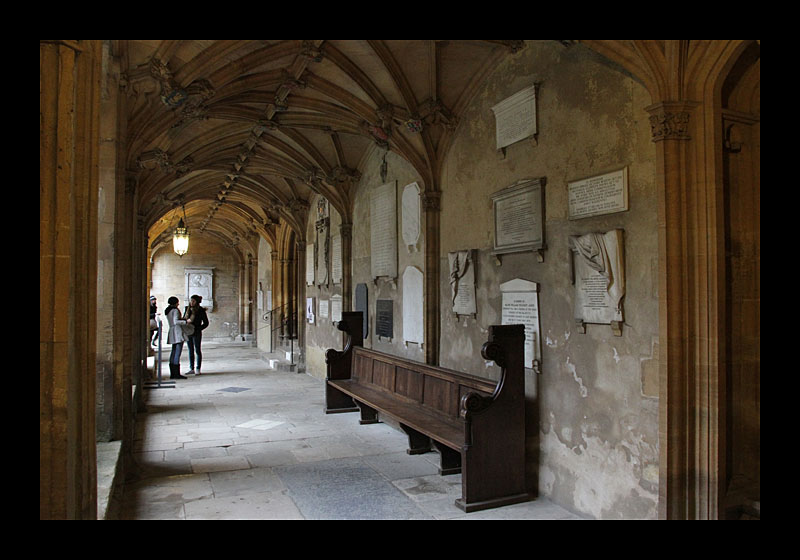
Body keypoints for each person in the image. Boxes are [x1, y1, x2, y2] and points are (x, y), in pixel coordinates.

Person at [184, 294, 210, 375]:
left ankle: (198, 368)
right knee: (190, 350)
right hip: (188, 332)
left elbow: (206, 323)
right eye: (191, 300)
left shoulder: (201, 310)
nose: (191, 302)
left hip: (196, 332)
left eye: (193, 301)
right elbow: (184, 319)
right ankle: (191, 368)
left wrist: (199, 329)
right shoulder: (187, 309)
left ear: (197, 302)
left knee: (197, 350)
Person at [165, 296, 188, 379]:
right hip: (177, 331)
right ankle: (176, 373)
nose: (178, 304)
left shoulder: (168, 310)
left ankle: (173, 372)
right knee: (177, 352)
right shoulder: (175, 310)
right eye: (177, 302)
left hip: (172, 330)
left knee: (173, 352)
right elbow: (176, 321)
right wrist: (185, 321)